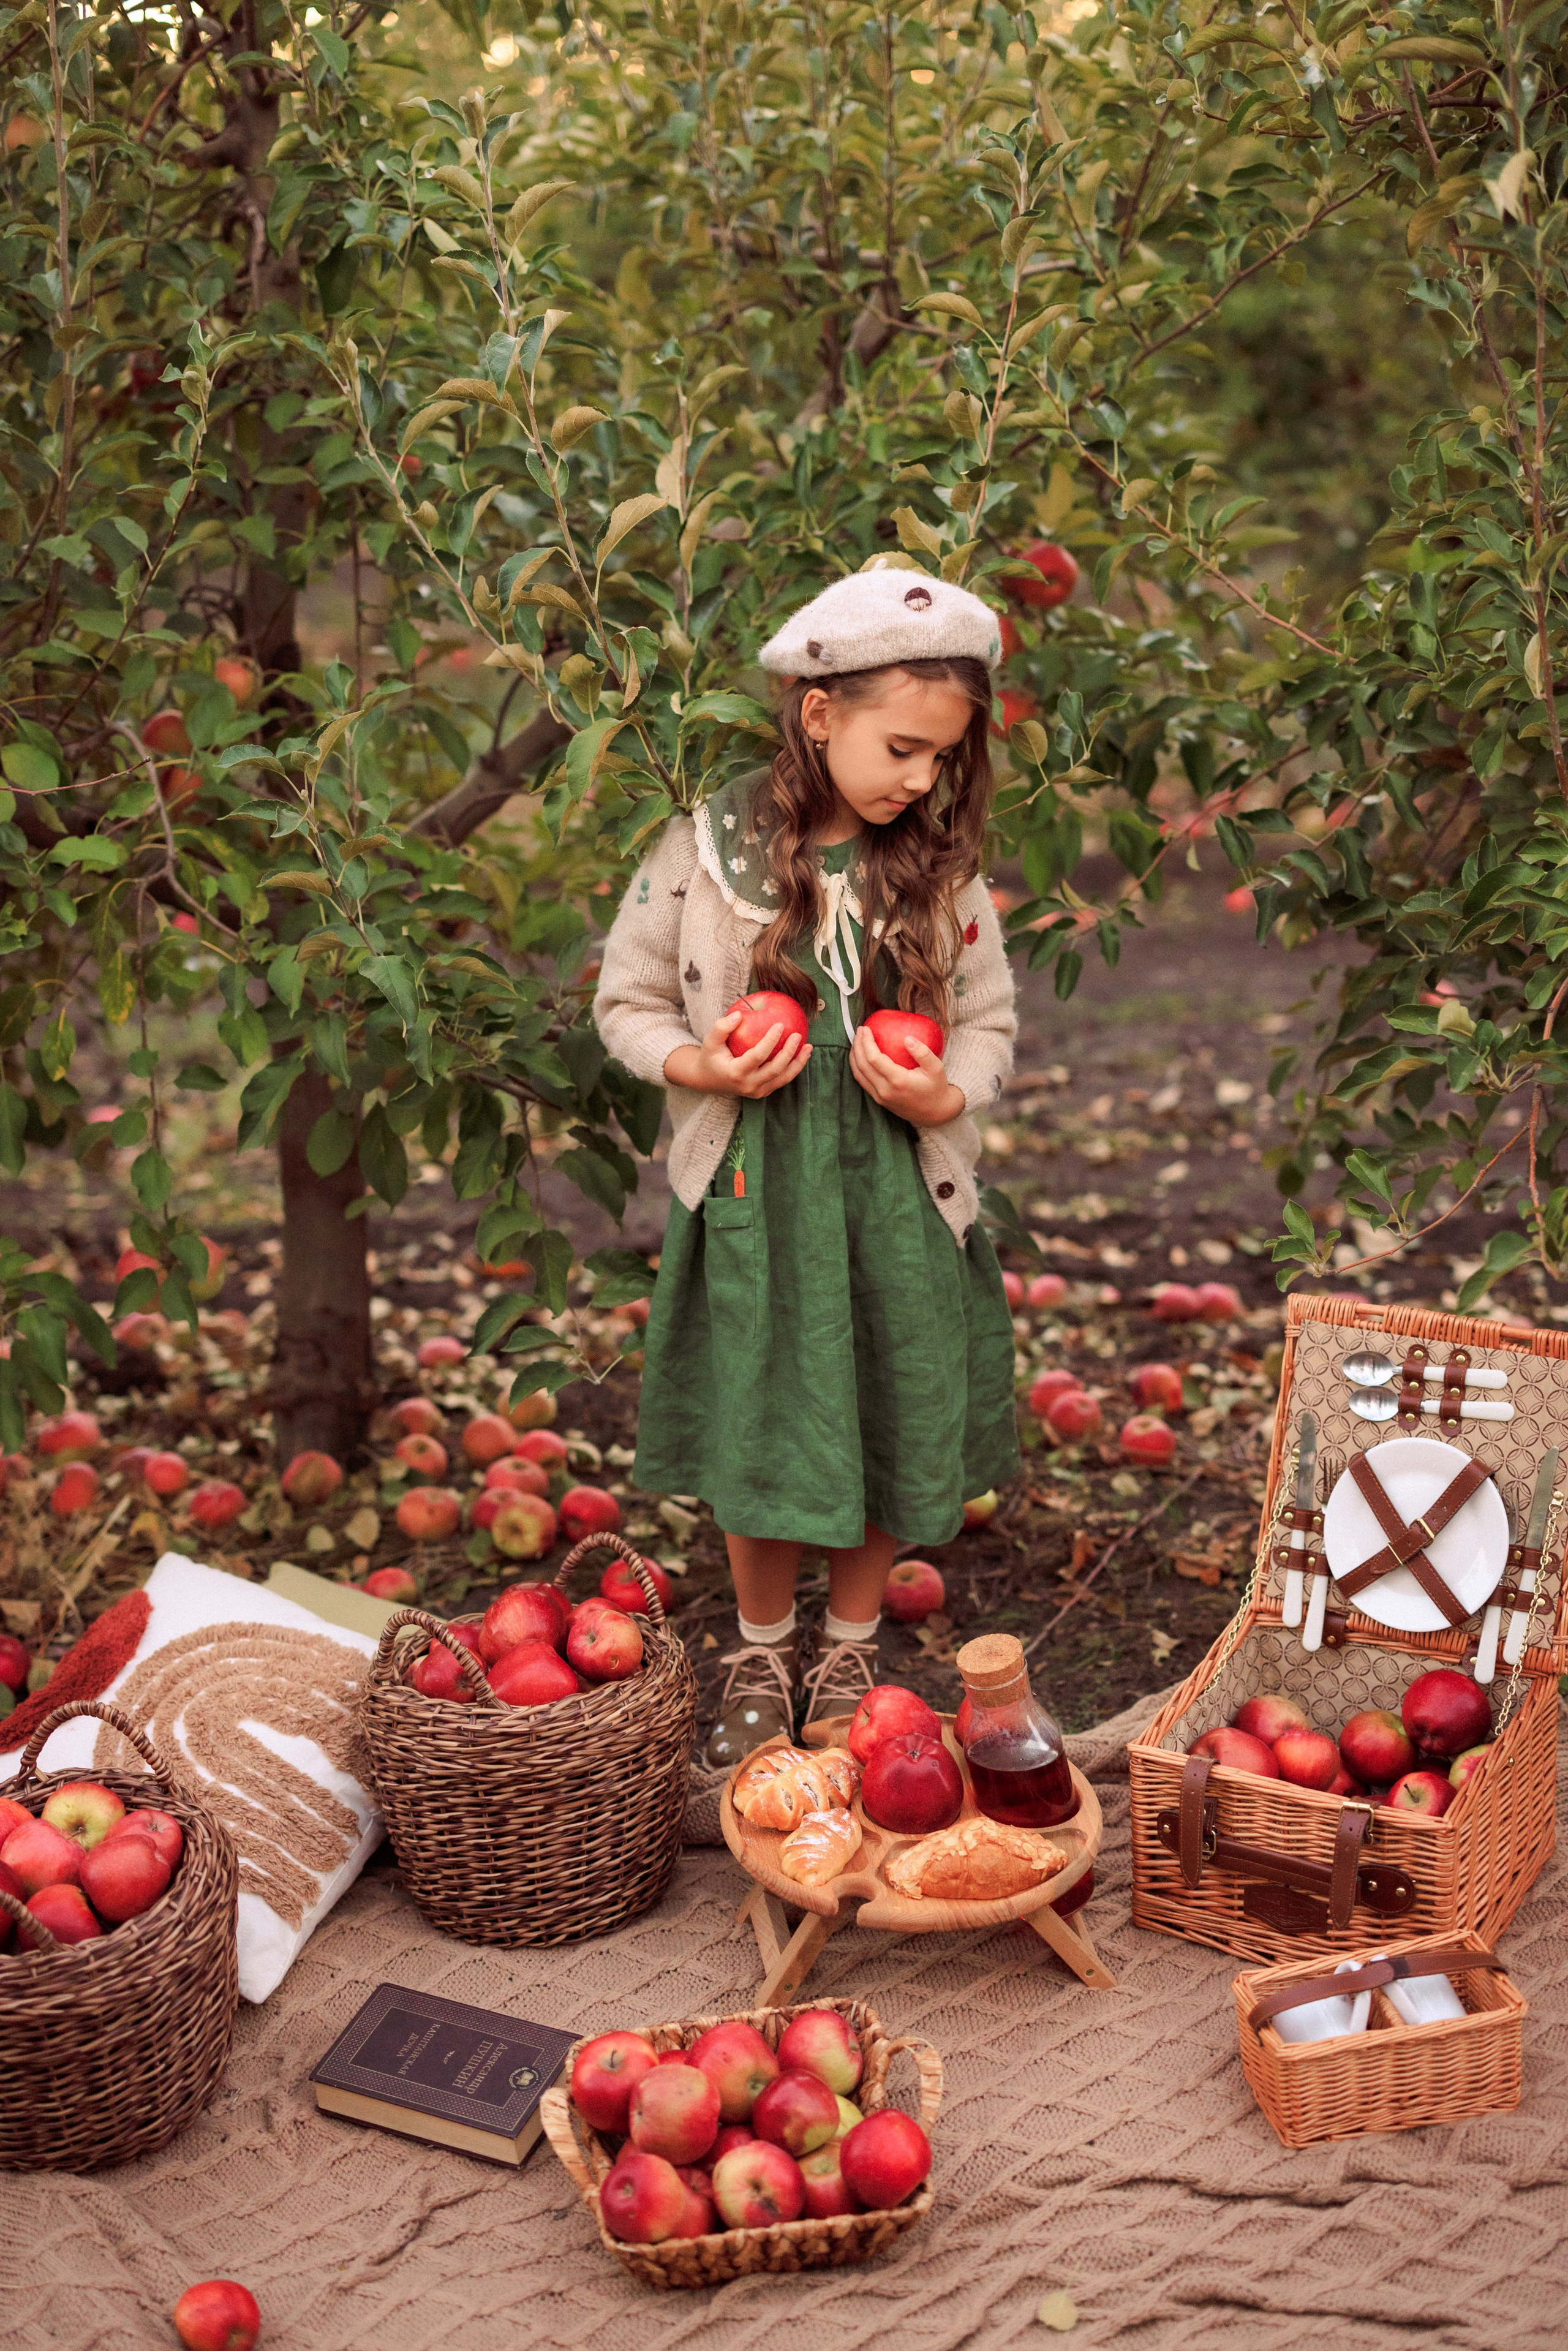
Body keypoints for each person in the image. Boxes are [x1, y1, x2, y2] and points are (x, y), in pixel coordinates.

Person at [594, 564, 1019, 1821]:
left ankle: (846, 1644)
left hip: (890, 1181)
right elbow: (623, 998)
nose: (921, 780)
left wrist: (945, 1096)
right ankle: (760, 1642)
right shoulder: (703, 849)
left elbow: (986, 1022)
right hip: (755, 1179)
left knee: (883, 1391)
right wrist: (698, 1064)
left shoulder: (936, 869)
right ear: (817, 712)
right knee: (763, 1409)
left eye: (941, 758)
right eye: (901, 748)